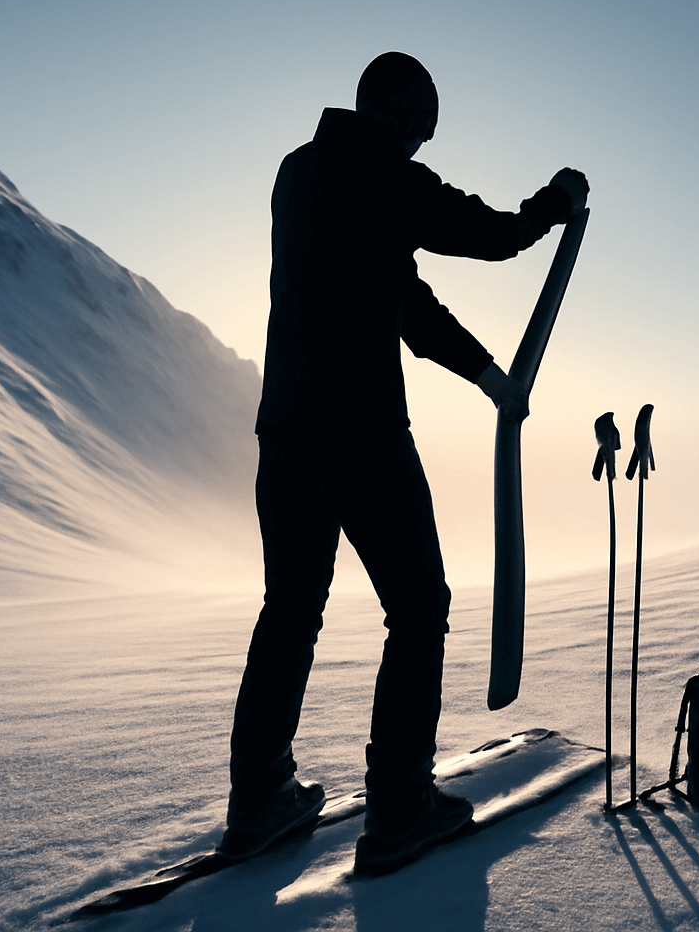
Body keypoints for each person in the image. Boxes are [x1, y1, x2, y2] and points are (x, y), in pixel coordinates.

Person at [217, 51, 588, 876]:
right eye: (423, 120)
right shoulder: (386, 174)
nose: (426, 138)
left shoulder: (301, 174)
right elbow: (493, 236)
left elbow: (397, 297)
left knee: (291, 608)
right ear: (393, 109)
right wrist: (554, 204)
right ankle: (400, 808)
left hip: (286, 431)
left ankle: (259, 800)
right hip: (359, 430)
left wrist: (489, 374)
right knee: (419, 607)